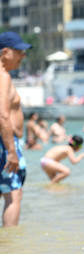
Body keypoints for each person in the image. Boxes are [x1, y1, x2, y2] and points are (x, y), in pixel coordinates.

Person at [0, 31, 30, 227]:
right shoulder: (3, 76)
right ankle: (10, 249)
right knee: (13, 193)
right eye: (19, 51)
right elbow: (2, 114)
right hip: (4, 143)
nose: (23, 56)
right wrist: (11, 151)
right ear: (5, 52)